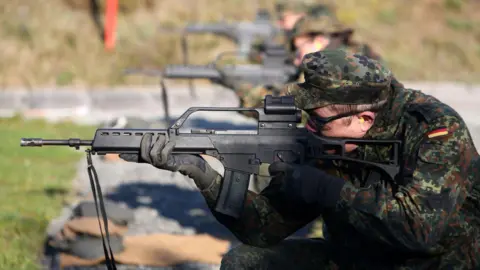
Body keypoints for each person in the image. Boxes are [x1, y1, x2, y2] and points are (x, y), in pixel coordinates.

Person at [120, 49, 480, 269]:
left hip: (435, 264)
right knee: (245, 261)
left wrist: (325, 189)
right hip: (358, 258)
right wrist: (203, 174)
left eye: (318, 119)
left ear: (364, 120)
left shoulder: (435, 129)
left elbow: (419, 231)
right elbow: (261, 230)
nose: (309, 126)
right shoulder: (325, 139)